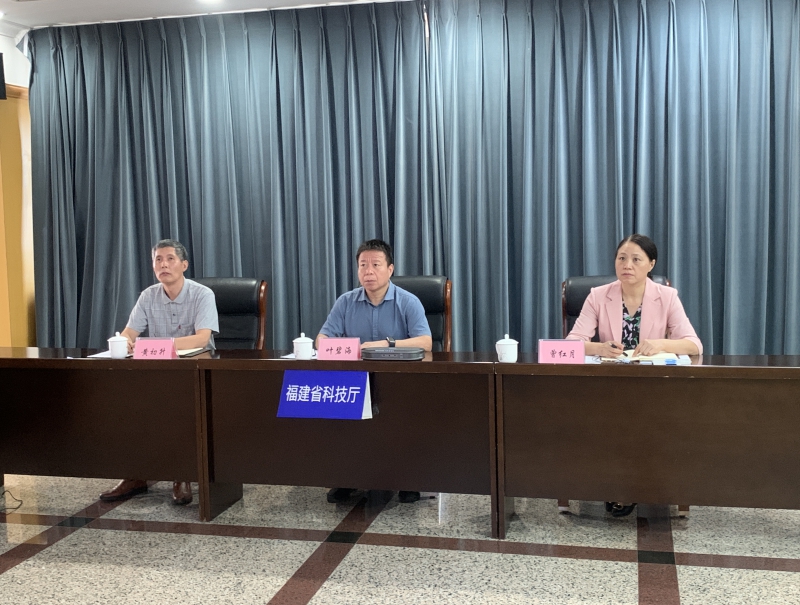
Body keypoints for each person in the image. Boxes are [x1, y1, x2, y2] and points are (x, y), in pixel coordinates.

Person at [566, 233, 702, 517]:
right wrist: (600, 347)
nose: (627, 265)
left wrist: (660, 344)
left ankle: (635, 485)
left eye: (636, 259)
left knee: (644, 417)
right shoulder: (598, 295)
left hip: (653, 387)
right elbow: (572, 343)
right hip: (608, 385)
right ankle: (617, 485)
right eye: (622, 258)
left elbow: (693, 345)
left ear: (651, 264)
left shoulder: (667, 296)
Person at [99, 239, 218, 506]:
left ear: (184, 265)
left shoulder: (202, 295)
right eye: (158, 260)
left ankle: (182, 474)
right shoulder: (148, 295)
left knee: (178, 408)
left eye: (170, 259)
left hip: (193, 372)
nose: (163, 265)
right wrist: (125, 342)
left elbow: (201, 339)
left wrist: (156, 345)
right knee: (126, 406)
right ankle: (135, 474)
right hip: (157, 372)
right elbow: (129, 333)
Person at [317, 238, 432, 504]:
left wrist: (387, 344)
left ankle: (408, 480)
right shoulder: (345, 302)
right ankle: (347, 478)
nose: (368, 271)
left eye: (376, 265)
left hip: (399, 382)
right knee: (337, 414)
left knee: (401, 419)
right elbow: (322, 339)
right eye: (363, 265)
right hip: (356, 380)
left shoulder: (408, 301)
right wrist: (334, 346)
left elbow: (425, 342)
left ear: (390, 269)